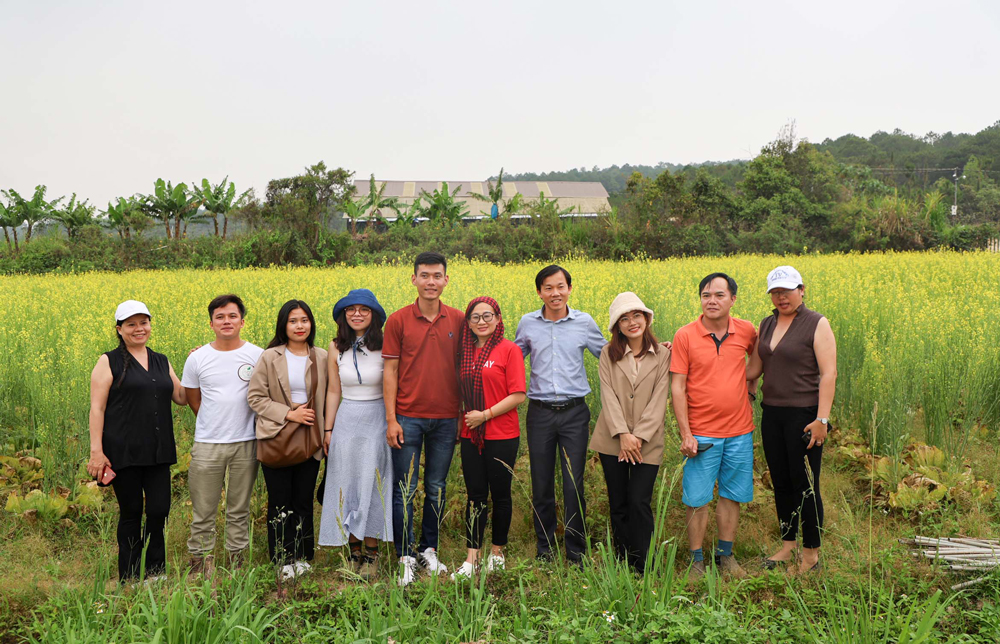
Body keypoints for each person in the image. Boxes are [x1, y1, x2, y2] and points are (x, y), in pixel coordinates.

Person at [86, 300, 187, 583]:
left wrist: (198, 366)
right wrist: (97, 452)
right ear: (119, 329)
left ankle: (155, 572)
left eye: (144, 322)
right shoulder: (108, 361)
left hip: (158, 450)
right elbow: (97, 408)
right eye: (131, 324)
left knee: (159, 510)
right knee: (131, 512)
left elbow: (180, 397)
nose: (139, 328)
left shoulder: (161, 360)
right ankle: (130, 576)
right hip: (124, 450)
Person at [746, 266, 837, 574]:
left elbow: (829, 374)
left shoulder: (816, 323)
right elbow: (753, 369)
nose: (781, 297)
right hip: (772, 414)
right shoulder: (767, 324)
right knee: (781, 481)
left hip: (805, 416)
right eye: (775, 292)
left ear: (801, 289)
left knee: (806, 484)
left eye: (786, 290)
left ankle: (811, 554)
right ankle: (788, 545)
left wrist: (821, 419)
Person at [514, 265, 606, 564]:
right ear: (539, 291)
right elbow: (511, 359)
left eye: (560, 286)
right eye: (548, 288)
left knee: (572, 483)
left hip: (574, 413)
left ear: (569, 288)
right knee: (541, 483)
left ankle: (576, 551)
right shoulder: (527, 323)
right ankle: (545, 549)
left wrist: (653, 349)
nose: (555, 293)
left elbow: (608, 354)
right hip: (539, 413)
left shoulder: (584, 322)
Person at [383, 252, 465, 586]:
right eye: (424, 275)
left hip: (446, 419)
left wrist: (462, 415)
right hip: (408, 418)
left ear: (446, 280)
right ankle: (405, 556)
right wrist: (391, 419)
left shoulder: (459, 319)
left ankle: (428, 550)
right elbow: (390, 371)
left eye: (437, 275)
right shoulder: (398, 320)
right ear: (413, 279)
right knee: (405, 489)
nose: (431, 281)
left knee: (436, 488)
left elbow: (467, 369)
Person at [670, 273, 757, 580]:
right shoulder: (685, 335)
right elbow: (677, 386)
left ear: (733, 299)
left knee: (732, 495)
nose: (712, 301)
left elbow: (758, 359)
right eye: (706, 295)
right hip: (701, 434)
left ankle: (725, 556)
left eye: (719, 295)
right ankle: (696, 561)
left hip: (739, 431)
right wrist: (685, 433)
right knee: (697, 499)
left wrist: (752, 388)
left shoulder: (747, 331)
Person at [181, 294, 263, 576]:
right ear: (211, 323)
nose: (226, 321)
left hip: (247, 443)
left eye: (232, 316)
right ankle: (200, 562)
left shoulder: (258, 355)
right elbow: (194, 399)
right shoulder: (197, 358)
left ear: (242, 321)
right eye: (220, 317)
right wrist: (213, 423)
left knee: (239, 508)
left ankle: (237, 561)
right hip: (208, 444)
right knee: (204, 509)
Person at [589, 292, 671, 574]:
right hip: (612, 441)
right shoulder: (607, 354)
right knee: (619, 502)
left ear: (646, 318)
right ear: (617, 327)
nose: (632, 322)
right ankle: (622, 562)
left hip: (647, 443)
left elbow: (660, 397)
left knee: (639, 501)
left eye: (636, 315)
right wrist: (623, 434)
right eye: (624, 319)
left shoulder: (663, 355)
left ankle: (645, 564)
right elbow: (607, 396)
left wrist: (638, 436)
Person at [247, 300, 328, 581]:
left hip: (310, 439)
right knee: (280, 501)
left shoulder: (321, 356)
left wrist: (327, 431)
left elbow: (329, 396)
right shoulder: (270, 357)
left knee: (304, 500)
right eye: (293, 321)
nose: (299, 326)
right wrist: (289, 414)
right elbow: (255, 397)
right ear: (284, 325)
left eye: (304, 320)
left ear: (311, 324)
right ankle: (282, 558)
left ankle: (304, 556)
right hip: (277, 437)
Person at [318, 289, 393, 580]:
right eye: (351, 309)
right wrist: (329, 428)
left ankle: (372, 554)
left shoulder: (386, 345)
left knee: (372, 484)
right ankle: (354, 552)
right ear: (343, 315)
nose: (357, 313)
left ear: (374, 315)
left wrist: (391, 421)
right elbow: (334, 390)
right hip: (346, 419)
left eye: (364, 309)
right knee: (347, 484)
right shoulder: (336, 346)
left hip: (377, 418)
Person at [451, 297, 526, 580]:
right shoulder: (465, 352)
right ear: (468, 323)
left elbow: (518, 394)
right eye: (475, 317)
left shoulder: (509, 350)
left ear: (497, 318)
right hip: (471, 433)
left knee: (501, 495)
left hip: (502, 433)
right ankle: (472, 557)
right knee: (475, 496)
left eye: (487, 315)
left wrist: (484, 415)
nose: (481, 321)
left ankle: (497, 552)